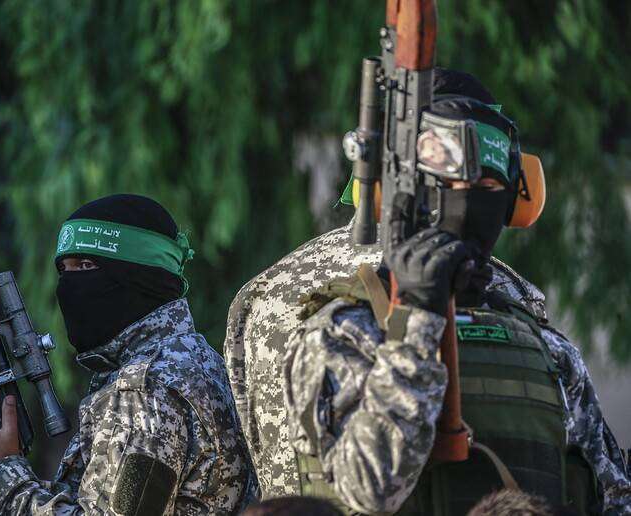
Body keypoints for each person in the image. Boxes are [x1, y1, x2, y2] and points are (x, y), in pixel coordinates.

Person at [224, 70, 631, 514]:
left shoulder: (545, 348)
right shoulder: (341, 331)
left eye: (486, 187)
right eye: (447, 183)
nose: (466, 204)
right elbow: (365, 489)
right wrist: (417, 320)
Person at [0, 194, 259, 515]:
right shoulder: (196, 358)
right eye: (64, 270)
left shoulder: (144, 389)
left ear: (140, 275)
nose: (69, 285)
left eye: (86, 266)